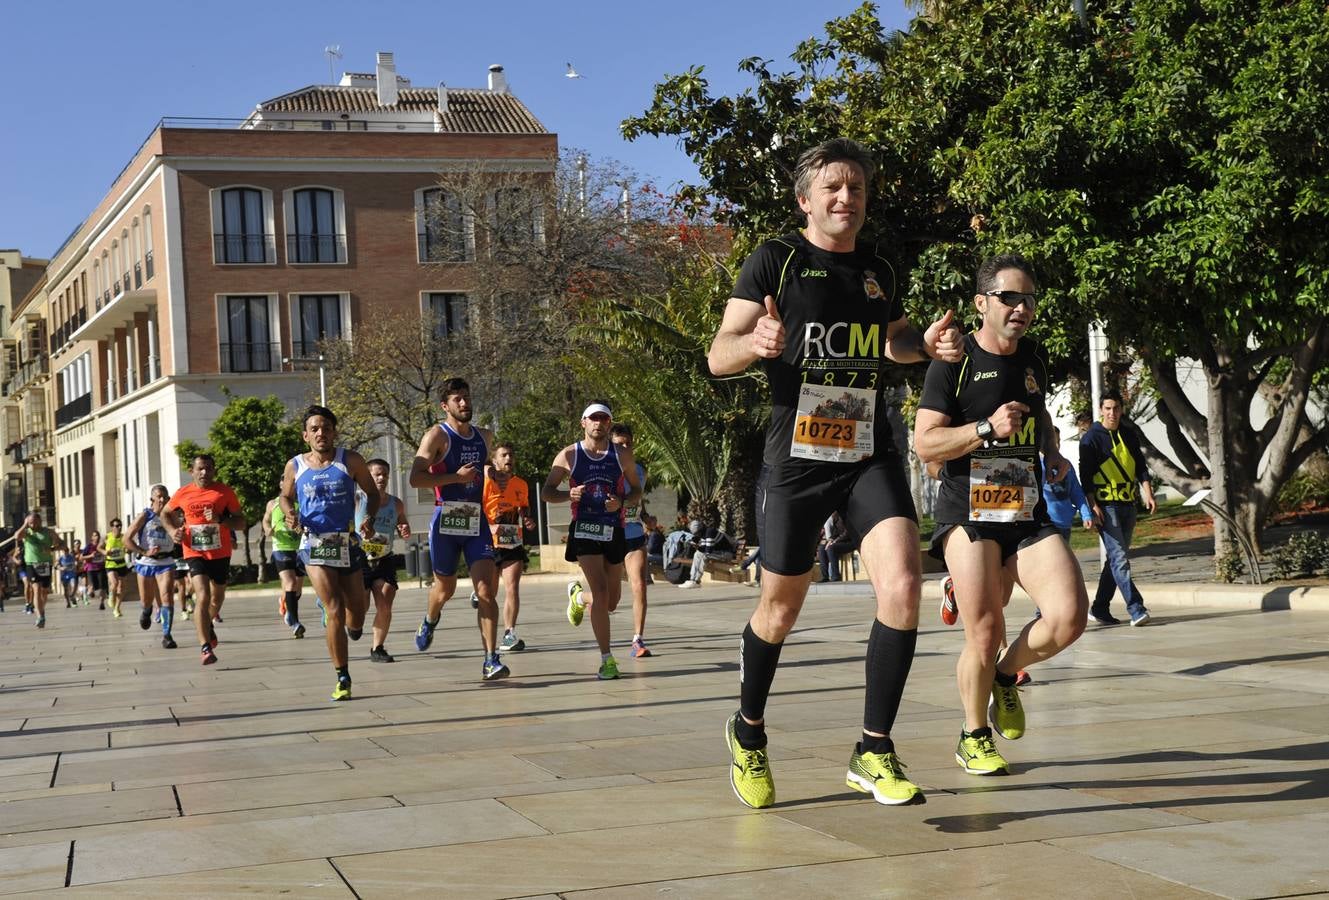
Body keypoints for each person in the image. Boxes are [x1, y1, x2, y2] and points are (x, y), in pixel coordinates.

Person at [707, 137, 963, 809]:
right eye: (832, 189)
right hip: (795, 455)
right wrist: (753, 344)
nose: (845, 198)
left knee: (904, 585)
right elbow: (717, 354)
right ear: (805, 200)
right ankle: (748, 730)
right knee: (780, 608)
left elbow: (893, 338)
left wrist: (925, 348)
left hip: (866, 447)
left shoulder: (878, 266)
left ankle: (873, 749)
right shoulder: (776, 259)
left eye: (855, 188)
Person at [915, 253, 1089, 776]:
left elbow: (1039, 418)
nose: (1021, 307)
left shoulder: (1033, 359)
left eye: (1028, 298)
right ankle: (974, 735)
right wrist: (986, 430)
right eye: (1009, 297)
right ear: (982, 303)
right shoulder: (953, 362)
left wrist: (1053, 451)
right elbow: (926, 443)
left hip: (1023, 507)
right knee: (984, 632)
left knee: (1069, 616)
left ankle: (1006, 676)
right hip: (967, 511)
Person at [408, 377, 509, 681]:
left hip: (475, 521)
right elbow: (416, 478)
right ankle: (430, 618)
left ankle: (491, 659)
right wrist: (455, 478)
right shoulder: (436, 436)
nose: (464, 403)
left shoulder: (486, 437)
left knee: (486, 592)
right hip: (446, 522)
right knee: (445, 589)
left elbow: (484, 466)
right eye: (457, 400)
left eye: (466, 397)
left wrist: (496, 475)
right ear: (445, 406)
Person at [281, 405, 378, 701]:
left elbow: (372, 493)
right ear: (305, 435)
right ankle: (342, 675)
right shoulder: (295, 465)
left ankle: (353, 625)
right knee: (333, 606)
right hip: (314, 543)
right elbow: (285, 497)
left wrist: (369, 518)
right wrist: (290, 514)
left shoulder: (350, 461)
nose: (320, 433)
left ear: (334, 432)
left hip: (346, 542)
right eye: (314, 429)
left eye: (326, 428)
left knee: (357, 613)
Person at [542, 402, 642, 680]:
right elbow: (547, 492)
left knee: (610, 601)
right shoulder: (569, 455)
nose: (599, 423)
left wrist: (620, 502)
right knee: (600, 592)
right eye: (594, 418)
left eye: (604, 419)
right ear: (583, 422)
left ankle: (577, 597)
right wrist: (568, 495)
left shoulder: (622, 455)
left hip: (613, 528)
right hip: (584, 528)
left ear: (609, 424)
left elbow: (636, 491)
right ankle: (607, 660)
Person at [1080, 391, 1157, 626]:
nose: (1112, 413)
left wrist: (1148, 492)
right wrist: (1093, 505)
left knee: (1115, 560)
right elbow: (1086, 476)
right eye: (1108, 408)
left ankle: (1100, 608)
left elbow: (1141, 466)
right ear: (1101, 410)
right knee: (1120, 558)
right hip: (1106, 505)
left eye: (1116, 408)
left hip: (1128, 504)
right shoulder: (1091, 439)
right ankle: (1136, 609)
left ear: (1122, 409)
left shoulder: (1128, 435)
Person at [164, 454, 245, 665]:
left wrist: (221, 519)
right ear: (192, 471)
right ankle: (205, 647)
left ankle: (208, 624)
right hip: (194, 551)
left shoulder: (225, 492)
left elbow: (240, 522)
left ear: (214, 471)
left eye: (209, 468)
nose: (204, 472)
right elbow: (165, 513)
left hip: (220, 552)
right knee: (203, 595)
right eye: (200, 468)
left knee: (217, 598)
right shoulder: (183, 493)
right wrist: (173, 531)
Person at [481, 442, 535, 653]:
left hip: (512, 541)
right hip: (488, 542)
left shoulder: (521, 484)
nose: (508, 459)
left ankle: (509, 633)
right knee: (490, 592)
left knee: (512, 587)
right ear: (494, 461)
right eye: (503, 455)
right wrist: (490, 526)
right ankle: (480, 594)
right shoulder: (485, 483)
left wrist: (528, 520)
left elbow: (524, 510)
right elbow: (475, 509)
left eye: (511, 455)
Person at [357, 458, 411, 663]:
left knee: (385, 602)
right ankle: (352, 622)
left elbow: (404, 525)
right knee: (361, 608)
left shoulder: (395, 503)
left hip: (384, 557)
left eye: (384, 475)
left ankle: (377, 648)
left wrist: (404, 529)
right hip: (360, 558)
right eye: (376, 474)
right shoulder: (358, 499)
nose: (381, 478)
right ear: (367, 477)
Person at [606, 424, 652, 658]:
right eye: (619, 444)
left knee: (640, 586)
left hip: (634, 534)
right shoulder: (603, 470)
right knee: (610, 602)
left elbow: (638, 500)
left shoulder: (640, 472)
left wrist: (645, 517)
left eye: (628, 444)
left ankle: (637, 639)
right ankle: (579, 597)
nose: (625, 448)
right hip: (610, 537)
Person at [126, 484, 179, 649]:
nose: (162, 500)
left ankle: (167, 635)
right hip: (146, 562)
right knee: (146, 600)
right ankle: (147, 611)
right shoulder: (145, 515)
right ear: (152, 499)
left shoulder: (173, 516)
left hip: (166, 561)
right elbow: (126, 539)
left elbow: (181, 533)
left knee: (167, 596)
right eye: (159, 497)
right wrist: (144, 551)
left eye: (165, 496)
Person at [264, 492, 306, 639]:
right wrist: (267, 529)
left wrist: (301, 528)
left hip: (300, 547)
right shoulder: (273, 503)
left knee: (297, 590)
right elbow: (266, 521)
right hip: (281, 547)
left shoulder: (303, 502)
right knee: (290, 582)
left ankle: (286, 604)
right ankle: (295, 623)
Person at [15, 511, 64, 629]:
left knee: (45, 591)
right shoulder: (27, 532)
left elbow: (62, 544)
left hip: (45, 564)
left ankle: (41, 609)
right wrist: (24, 524)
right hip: (31, 564)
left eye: (34, 523)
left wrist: (51, 549)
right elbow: (16, 536)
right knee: (36, 589)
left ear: (40, 521)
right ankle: (40, 616)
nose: (32, 526)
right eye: (30, 523)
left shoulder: (48, 532)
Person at [677, 518, 737, 589]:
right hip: (719, 553)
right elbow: (704, 549)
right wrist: (694, 544)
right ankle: (692, 579)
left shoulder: (709, 532)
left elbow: (708, 551)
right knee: (698, 554)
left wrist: (697, 546)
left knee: (703, 555)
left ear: (700, 530)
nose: (697, 535)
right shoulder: (704, 533)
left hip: (727, 554)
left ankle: (695, 581)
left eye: (696, 533)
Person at [817, 512, 855, 582]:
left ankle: (835, 576)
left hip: (851, 542)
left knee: (831, 548)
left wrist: (834, 541)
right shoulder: (835, 520)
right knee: (821, 548)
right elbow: (834, 534)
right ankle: (825, 576)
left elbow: (847, 533)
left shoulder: (845, 517)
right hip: (840, 542)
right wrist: (830, 540)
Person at [104, 517, 130, 617]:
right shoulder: (107, 537)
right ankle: (111, 596)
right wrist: (105, 552)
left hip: (121, 563)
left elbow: (129, 548)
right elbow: (99, 548)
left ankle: (117, 608)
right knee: (114, 583)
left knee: (121, 588)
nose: (118, 527)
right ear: (112, 527)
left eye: (120, 526)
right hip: (110, 563)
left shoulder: (124, 537)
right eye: (116, 526)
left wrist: (128, 550)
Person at [80, 530, 108, 612]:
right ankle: (90, 591)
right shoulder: (89, 546)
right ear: (92, 537)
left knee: (102, 587)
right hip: (91, 569)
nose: (97, 537)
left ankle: (102, 603)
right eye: (95, 535)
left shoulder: (103, 546)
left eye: (98, 535)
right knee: (92, 587)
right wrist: (91, 555)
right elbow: (81, 557)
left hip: (101, 568)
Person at [58, 543, 79, 607]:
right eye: (64, 551)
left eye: (66, 551)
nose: (65, 552)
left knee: (73, 586)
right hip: (64, 575)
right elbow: (56, 565)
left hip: (72, 574)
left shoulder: (71, 557)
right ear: (62, 551)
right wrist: (61, 568)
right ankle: (68, 602)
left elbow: (76, 562)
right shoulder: (61, 558)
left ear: (68, 551)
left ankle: (72, 596)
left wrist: (76, 564)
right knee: (66, 589)